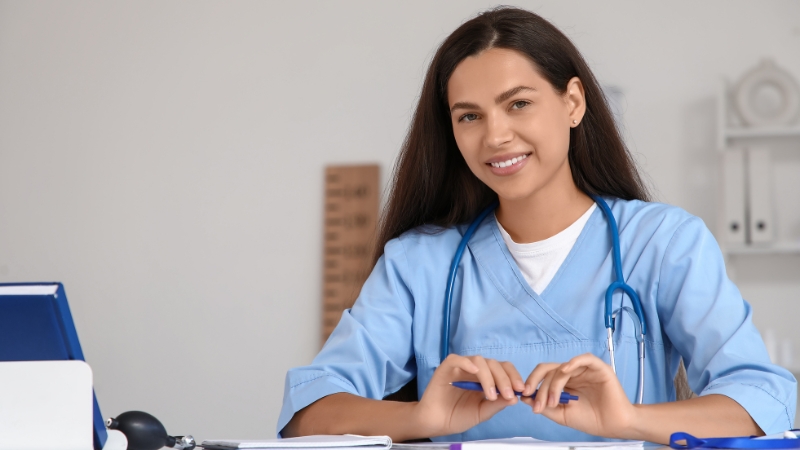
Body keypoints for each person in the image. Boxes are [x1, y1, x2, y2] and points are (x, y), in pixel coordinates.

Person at [277, 7, 796, 444]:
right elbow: (309, 413)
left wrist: (629, 420)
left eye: (518, 104)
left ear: (572, 102)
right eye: (469, 116)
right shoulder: (420, 263)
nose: (495, 136)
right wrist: (422, 418)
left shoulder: (662, 244)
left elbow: (764, 403)